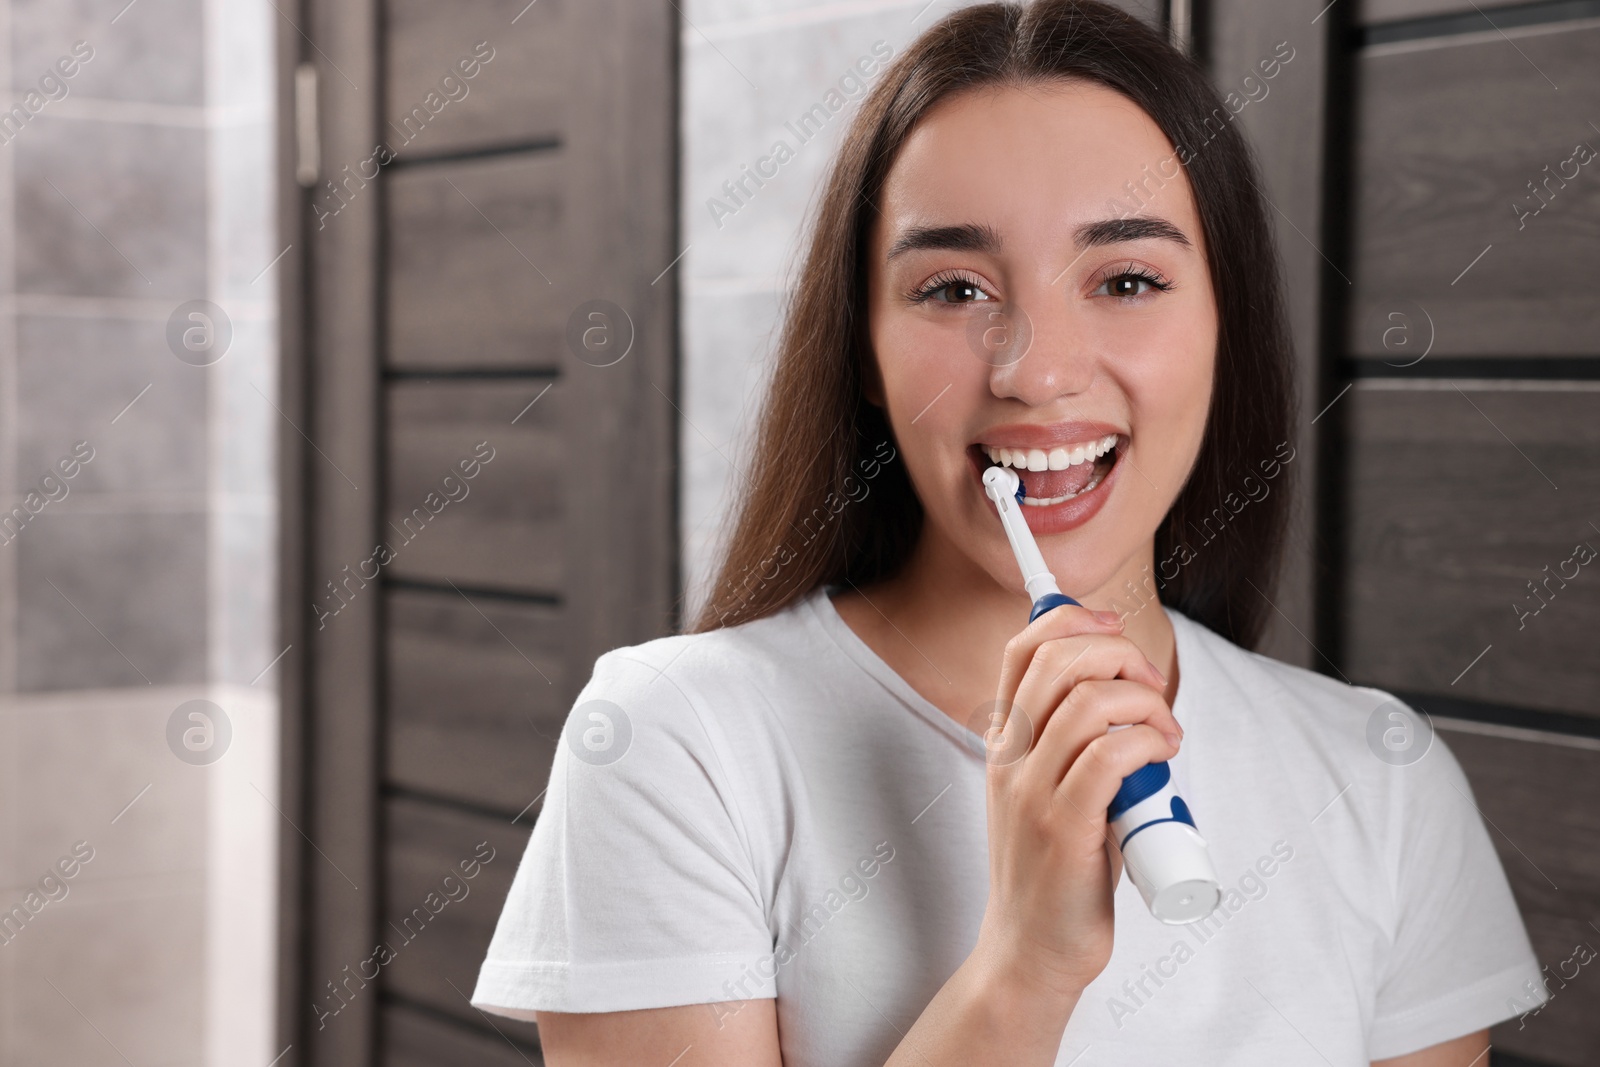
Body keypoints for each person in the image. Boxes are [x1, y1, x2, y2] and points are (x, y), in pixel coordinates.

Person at [471, 2, 1546, 1063]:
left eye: (1127, 279)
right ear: (862, 348)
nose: (1035, 369)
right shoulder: (675, 742)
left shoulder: (1381, 778)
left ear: (1228, 322)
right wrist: (1025, 967)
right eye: (953, 288)